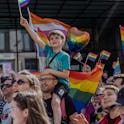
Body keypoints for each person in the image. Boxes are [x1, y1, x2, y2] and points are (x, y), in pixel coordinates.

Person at [20, 17, 71, 124]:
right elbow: (37, 39)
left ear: (63, 41)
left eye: (57, 38)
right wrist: (27, 26)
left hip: (61, 84)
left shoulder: (65, 56)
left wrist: (49, 71)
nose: (54, 40)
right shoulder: (48, 50)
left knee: (55, 102)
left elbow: (66, 75)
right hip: (48, 83)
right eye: (51, 39)